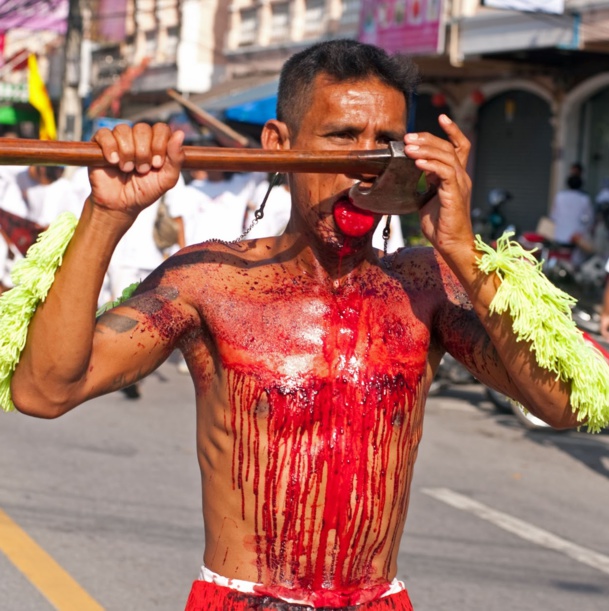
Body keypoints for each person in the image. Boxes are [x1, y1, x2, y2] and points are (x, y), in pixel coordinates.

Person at [11, 40, 585, 610]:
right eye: (341, 138)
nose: (365, 162)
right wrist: (108, 214)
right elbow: (44, 390)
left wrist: (461, 248)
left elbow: (559, 405)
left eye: (385, 143)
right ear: (279, 146)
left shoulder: (425, 284)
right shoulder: (210, 281)